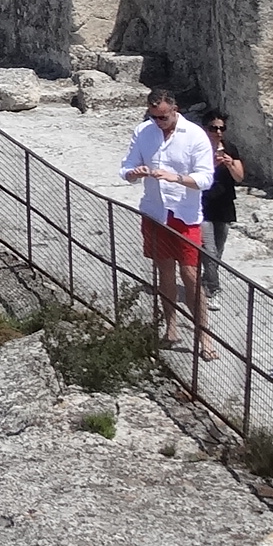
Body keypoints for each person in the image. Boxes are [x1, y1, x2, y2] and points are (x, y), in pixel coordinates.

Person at [120, 91, 217, 359]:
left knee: (190, 275)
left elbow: (206, 178)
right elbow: (126, 167)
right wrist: (134, 173)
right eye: (154, 117)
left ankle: (204, 335)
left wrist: (176, 178)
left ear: (175, 109)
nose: (159, 122)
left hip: (184, 214)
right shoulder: (144, 132)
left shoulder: (194, 135)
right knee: (164, 272)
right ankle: (171, 328)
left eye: (163, 117)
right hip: (155, 212)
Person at [202, 111, 244, 300]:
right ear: (206, 129)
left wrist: (229, 164)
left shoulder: (230, 148)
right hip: (203, 205)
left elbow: (239, 177)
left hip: (224, 204)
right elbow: (196, 175)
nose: (218, 132)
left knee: (218, 251)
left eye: (221, 128)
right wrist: (212, 164)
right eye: (214, 128)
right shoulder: (199, 149)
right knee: (209, 250)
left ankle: (206, 280)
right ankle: (214, 288)